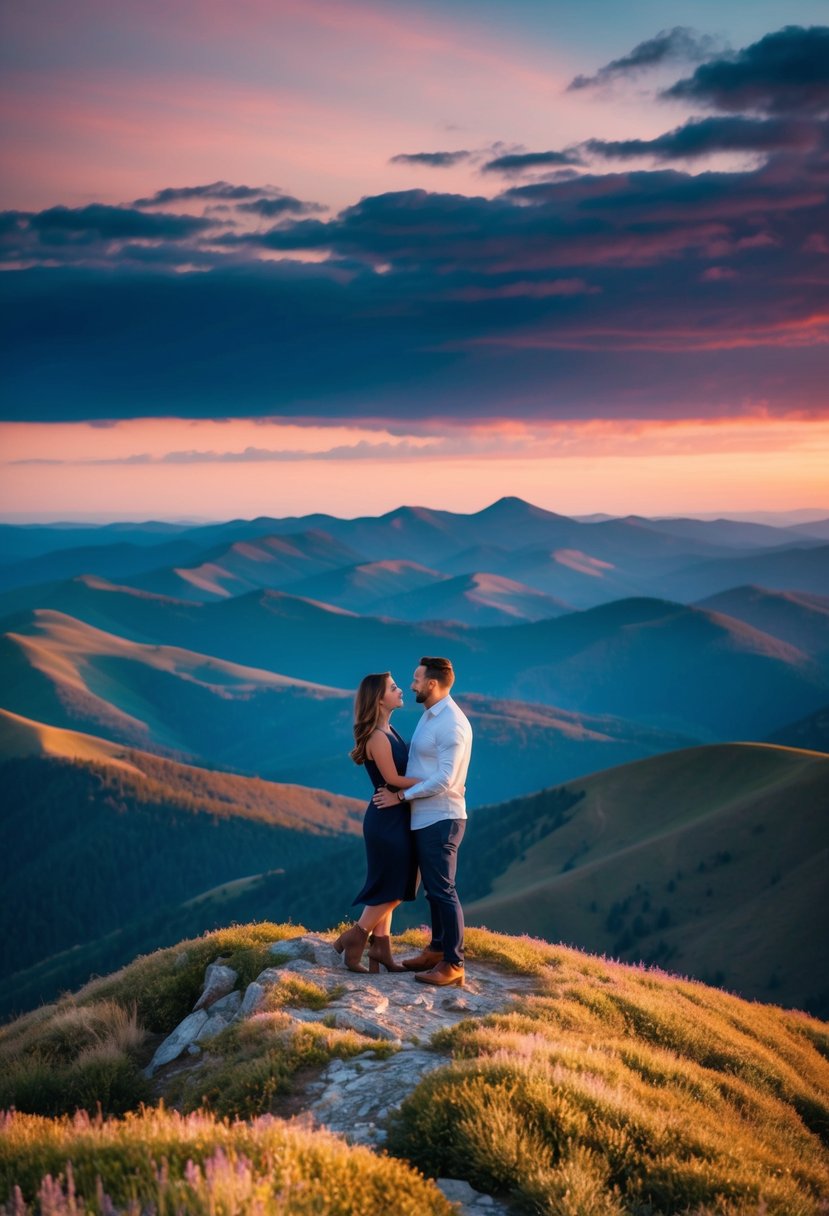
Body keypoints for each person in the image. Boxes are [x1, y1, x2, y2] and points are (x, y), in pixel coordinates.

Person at [373, 656, 472, 988]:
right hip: (426, 817)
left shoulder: (451, 724)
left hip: (441, 818)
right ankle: (437, 949)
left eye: (416, 679)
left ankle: (454, 962)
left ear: (432, 683)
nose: (411, 684)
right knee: (434, 891)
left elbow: (444, 779)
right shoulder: (431, 716)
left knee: (443, 890)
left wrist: (401, 797)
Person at [333, 672, 420, 973]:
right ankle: (356, 937)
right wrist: (436, 781)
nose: (401, 691)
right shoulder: (377, 737)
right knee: (397, 885)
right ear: (380, 699)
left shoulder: (390, 730)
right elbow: (393, 780)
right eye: (394, 688)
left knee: (391, 883)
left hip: (394, 815)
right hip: (387, 819)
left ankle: (381, 948)